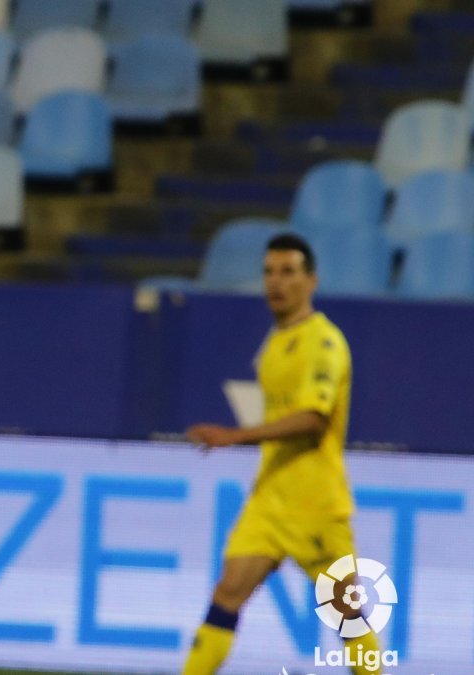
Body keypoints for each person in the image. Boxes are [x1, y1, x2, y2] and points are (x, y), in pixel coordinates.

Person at [182, 234, 380, 675]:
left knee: (346, 615)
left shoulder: (324, 342)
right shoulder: (274, 344)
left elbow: (313, 421)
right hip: (271, 498)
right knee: (228, 591)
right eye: (270, 272)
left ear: (311, 281)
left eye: (288, 272)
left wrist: (234, 437)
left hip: (315, 502)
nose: (277, 282)